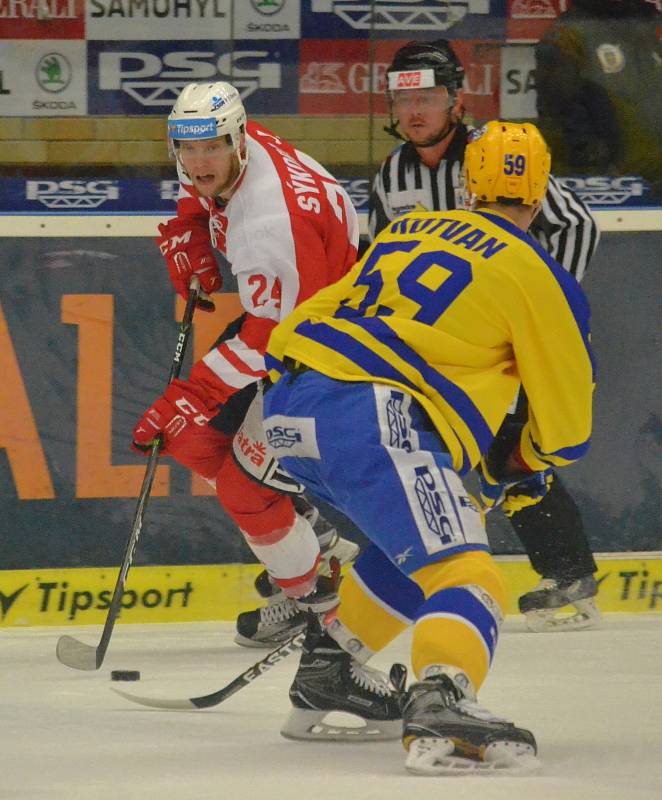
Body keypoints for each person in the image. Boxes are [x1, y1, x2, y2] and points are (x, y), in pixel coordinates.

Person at [262, 121, 595, 775]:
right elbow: (567, 431)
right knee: (466, 572)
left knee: (411, 547)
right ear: (541, 191)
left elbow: (315, 315)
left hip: (288, 403)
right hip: (372, 411)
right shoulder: (540, 275)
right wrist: (518, 459)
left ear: (469, 185)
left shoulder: (405, 231)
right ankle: (442, 697)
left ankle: (330, 673)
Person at [369, 38, 601, 632]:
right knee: (433, 455)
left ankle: (569, 575)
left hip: (493, 343)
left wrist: (536, 310)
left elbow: (575, 224)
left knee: (510, 453)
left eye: (427, 96)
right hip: (431, 350)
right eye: (403, 98)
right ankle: (424, 573)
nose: (414, 110)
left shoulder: (497, 155)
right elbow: (375, 257)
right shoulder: (391, 175)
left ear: (457, 100)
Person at [130, 81, 361, 645]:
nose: (198, 161)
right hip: (292, 313)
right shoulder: (229, 144)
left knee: (241, 486)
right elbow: (197, 185)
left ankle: (313, 601)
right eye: (186, 148)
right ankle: (312, 539)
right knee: (192, 438)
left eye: (210, 147)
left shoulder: (268, 222)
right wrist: (190, 229)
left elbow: (268, 337)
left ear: (236, 141)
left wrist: (192, 395)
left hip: (330, 344)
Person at [535, 0, 662, 190]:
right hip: (611, 187)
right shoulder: (569, 34)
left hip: (654, 180)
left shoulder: (644, 24)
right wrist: (596, 174)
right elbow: (561, 118)